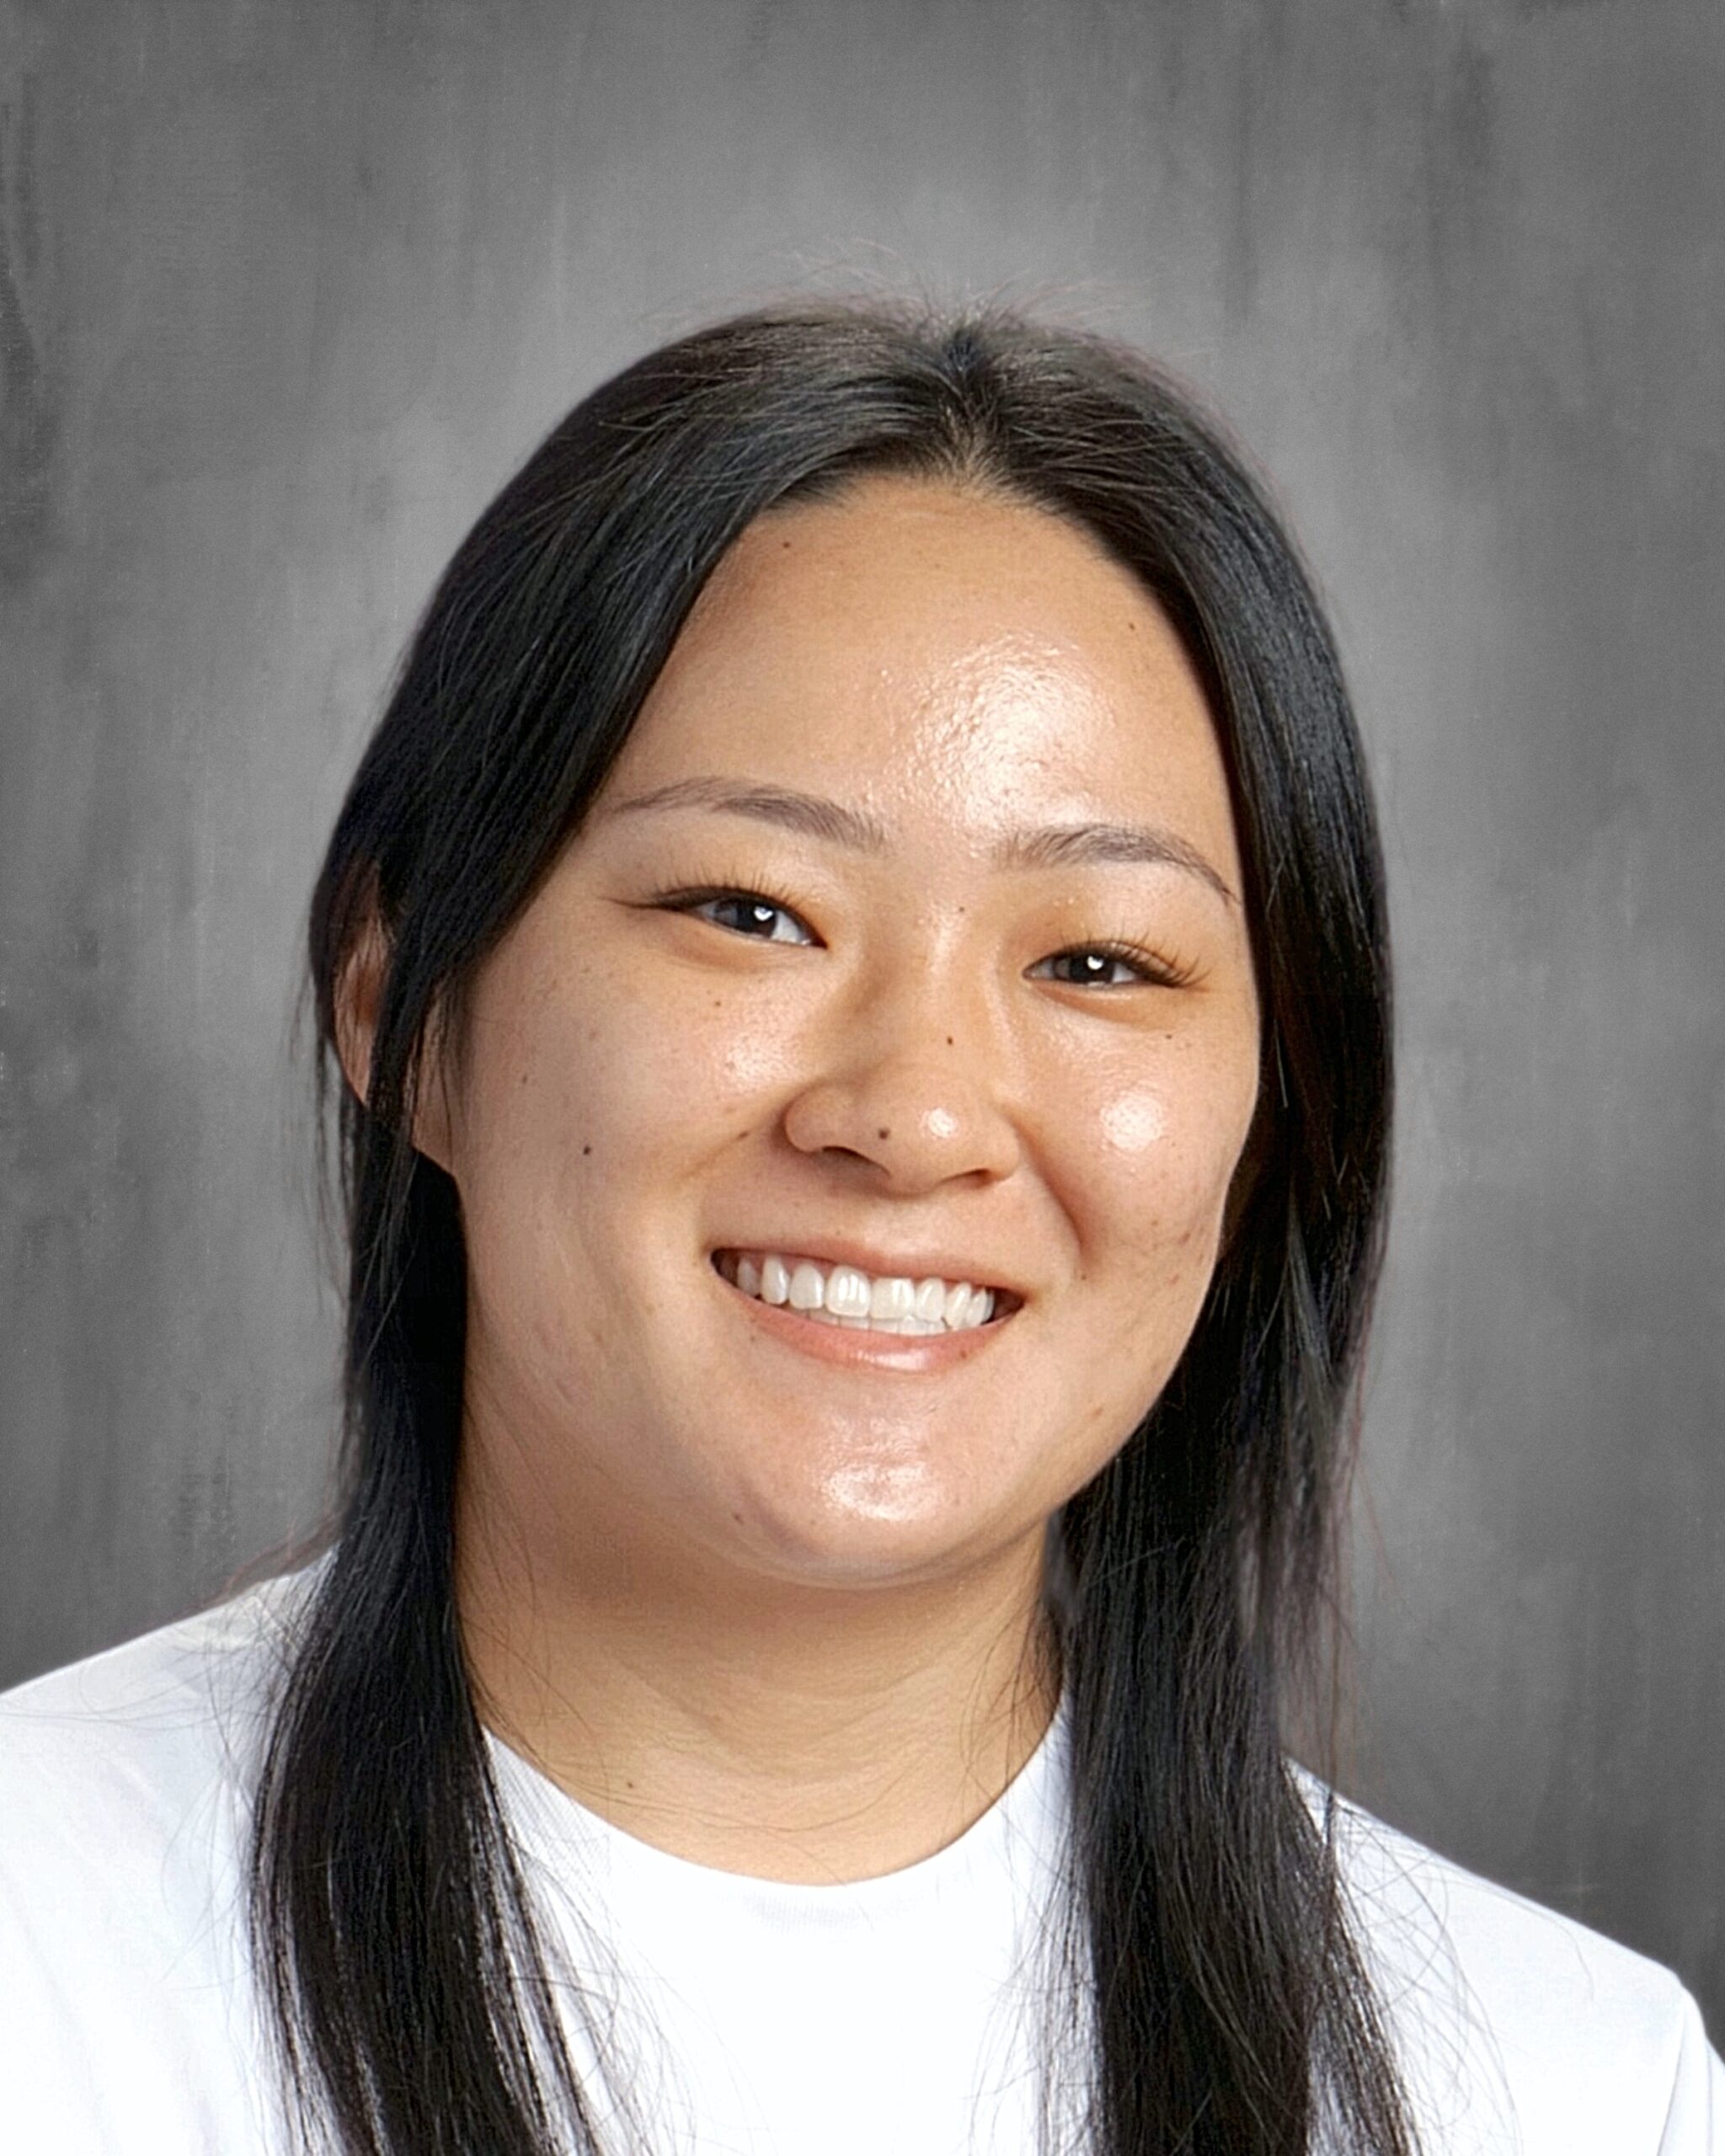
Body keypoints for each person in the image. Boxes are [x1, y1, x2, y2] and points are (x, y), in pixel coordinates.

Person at [0, 302, 1717, 2156]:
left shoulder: (1570, 2089)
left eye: (1097, 958)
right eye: (750, 910)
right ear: (396, 1007)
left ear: (1271, 1121)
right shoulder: (44, 1948)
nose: (911, 1114)